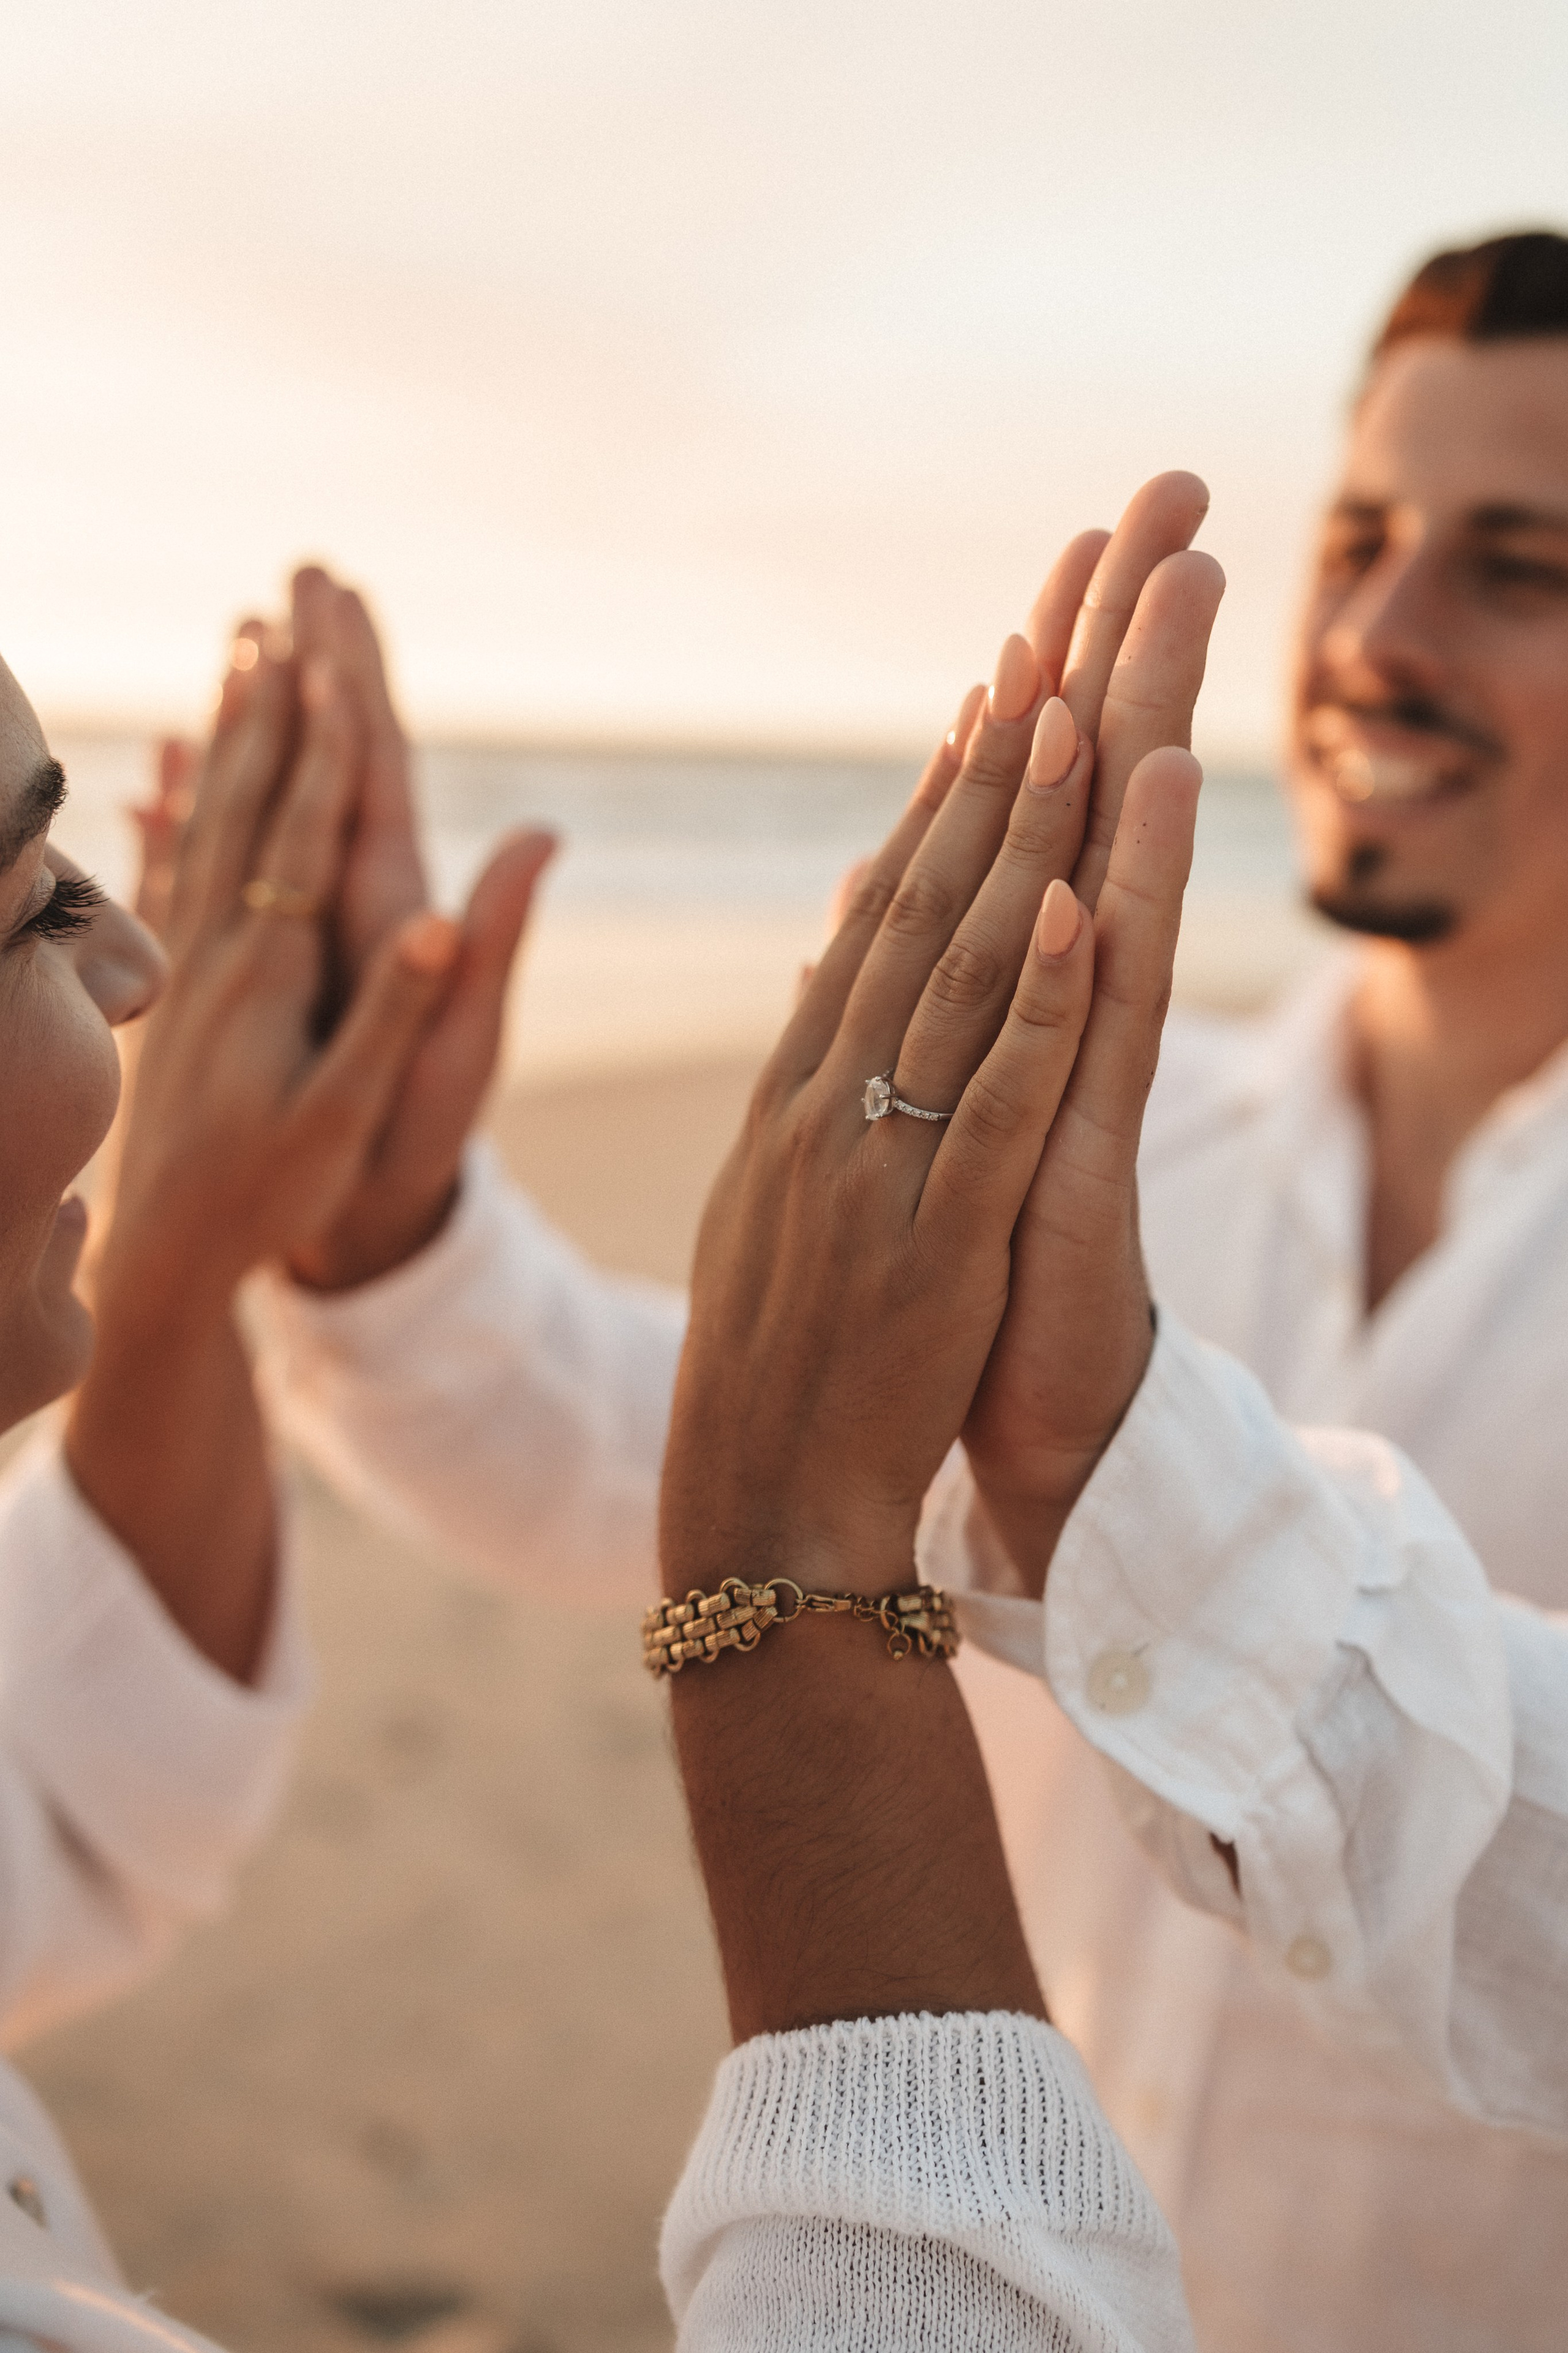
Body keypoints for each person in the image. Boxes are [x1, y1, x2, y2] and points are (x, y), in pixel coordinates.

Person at [205, 232, 1568, 2350]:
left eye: (1518, 565)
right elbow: (646, 1441)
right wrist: (385, 1226)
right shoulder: (1129, 1128)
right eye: (1366, 534)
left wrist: (1124, 1468)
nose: (1380, 632)